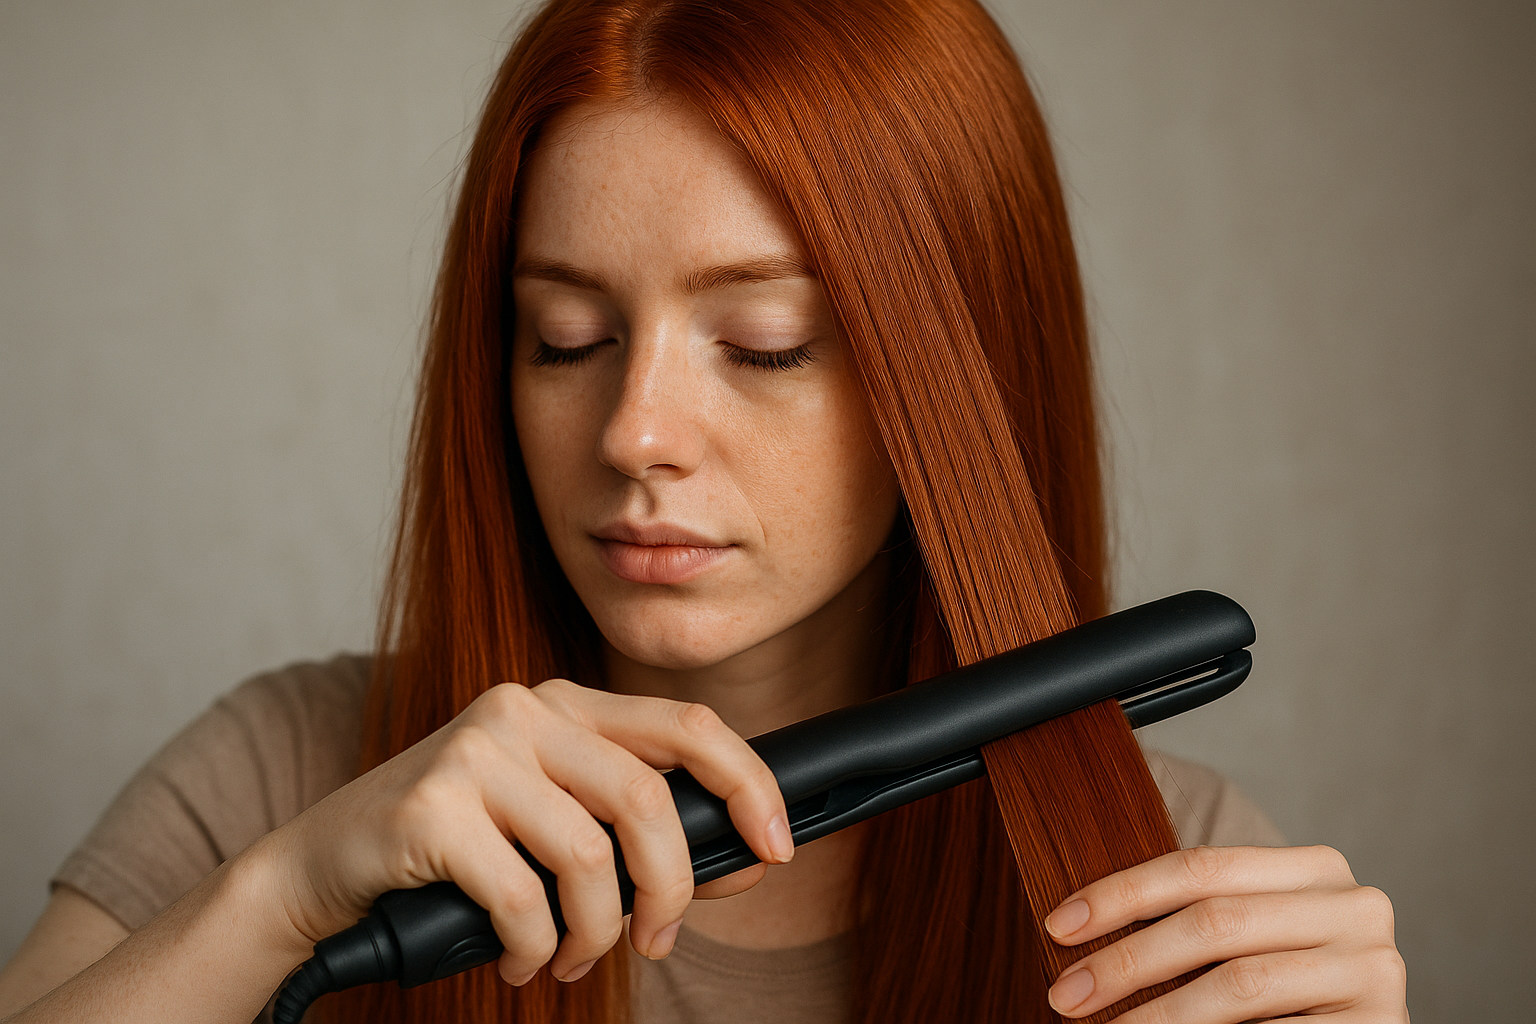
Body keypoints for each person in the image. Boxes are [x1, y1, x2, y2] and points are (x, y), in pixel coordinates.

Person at [0, 1, 1409, 1022]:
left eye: (768, 343)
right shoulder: (278, 778)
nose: (634, 434)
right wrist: (283, 897)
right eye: (563, 338)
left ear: (958, 380)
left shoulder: (1168, 882)